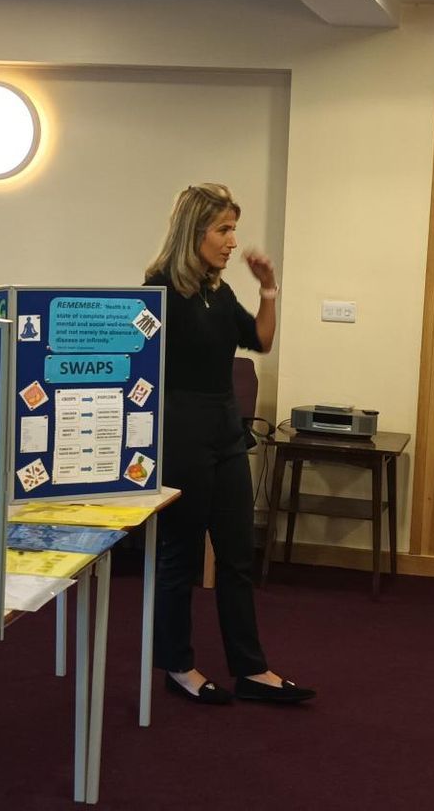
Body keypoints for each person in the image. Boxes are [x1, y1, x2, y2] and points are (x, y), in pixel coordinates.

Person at [143, 182, 313, 705]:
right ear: (194, 231)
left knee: (238, 554)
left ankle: (251, 669)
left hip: (224, 428)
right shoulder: (159, 290)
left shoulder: (218, 291)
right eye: (223, 229)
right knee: (180, 554)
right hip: (182, 431)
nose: (233, 241)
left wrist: (269, 289)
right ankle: (177, 665)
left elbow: (260, 340)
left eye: (233, 229)